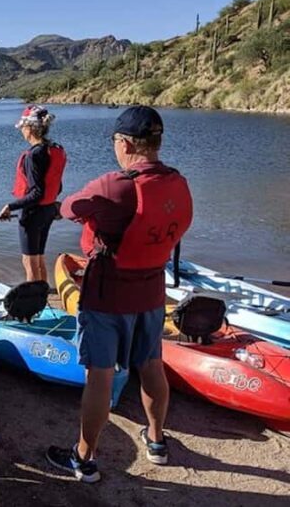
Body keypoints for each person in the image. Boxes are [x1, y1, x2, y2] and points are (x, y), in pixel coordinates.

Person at [46, 106, 193, 483]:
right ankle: (157, 441)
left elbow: (67, 208)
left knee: (99, 377)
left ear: (125, 143)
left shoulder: (115, 184)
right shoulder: (177, 181)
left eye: (115, 141)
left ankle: (84, 459)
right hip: (151, 294)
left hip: (108, 296)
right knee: (151, 365)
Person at [0, 105, 66, 282]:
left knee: (29, 262)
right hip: (48, 211)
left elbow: (36, 192)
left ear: (29, 128)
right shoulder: (55, 149)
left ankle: (34, 304)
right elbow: (56, 187)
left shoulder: (33, 156)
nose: (21, 131)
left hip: (32, 214)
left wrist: (10, 207)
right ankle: (42, 300)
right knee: (39, 258)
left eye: (22, 127)